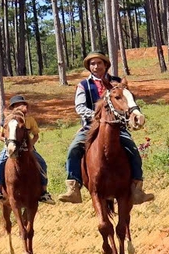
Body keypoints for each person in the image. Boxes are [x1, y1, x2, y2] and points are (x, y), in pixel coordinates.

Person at [62, 54, 150, 205]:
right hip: (91, 126)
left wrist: (133, 115)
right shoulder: (84, 85)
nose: (96, 66)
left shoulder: (116, 82)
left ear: (106, 65)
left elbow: (127, 100)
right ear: (89, 67)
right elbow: (80, 107)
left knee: (133, 150)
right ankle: (73, 187)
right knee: (74, 149)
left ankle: (137, 188)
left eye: (99, 63)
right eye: (93, 64)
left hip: (116, 125)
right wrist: (96, 116)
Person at [0, 95, 53, 202]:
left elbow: (36, 135)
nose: (21, 107)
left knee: (42, 163)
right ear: (13, 107)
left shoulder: (30, 120)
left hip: (27, 148)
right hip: (10, 147)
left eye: (23, 104)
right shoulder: (7, 120)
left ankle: (44, 192)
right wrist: (8, 143)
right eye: (18, 105)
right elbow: (0, 136)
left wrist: (31, 146)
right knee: (0, 162)